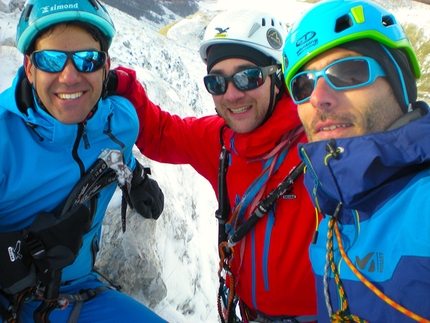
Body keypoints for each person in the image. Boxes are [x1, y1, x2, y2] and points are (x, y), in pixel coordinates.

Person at [109, 9, 318, 323]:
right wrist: (122, 86)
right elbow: (161, 134)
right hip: (247, 312)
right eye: (216, 82)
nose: (232, 94)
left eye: (249, 77)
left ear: (278, 76)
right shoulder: (220, 141)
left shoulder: (319, 141)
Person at [0, 0, 165, 322]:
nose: (70, 77)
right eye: (50, 60)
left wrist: (135, 178)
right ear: (30, 69)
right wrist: (17, 253)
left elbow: (117, 152)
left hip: (79, 291)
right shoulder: (5, 141)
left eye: (88, 60)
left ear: (106, 66)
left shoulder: (120, 121)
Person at [282, 0, 430, 322]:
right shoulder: (333, 210)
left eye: (348, 73)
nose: (318, 98)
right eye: (303, 85)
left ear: (398, 81)